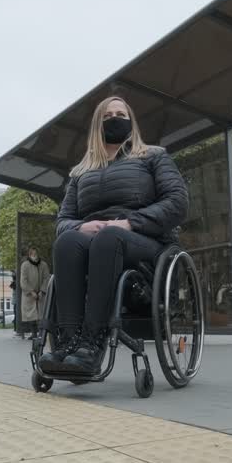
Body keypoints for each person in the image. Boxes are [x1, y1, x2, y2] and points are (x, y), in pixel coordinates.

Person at [41, 95, 188, 374]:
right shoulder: (80, 172)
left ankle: (92, 344)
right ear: (98, 124)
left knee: (110, 238)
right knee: (67, 241)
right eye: (108, 116)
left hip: (144, 242)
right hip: (93, 241)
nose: (115, 119)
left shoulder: (153, 156)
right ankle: (69, 343)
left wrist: (129, 222)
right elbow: (63, 220)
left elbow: (178, 203)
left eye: (121, 114)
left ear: (131, 121)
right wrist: (78, 226)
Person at [19, 247, 50, 339]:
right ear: (29, 255)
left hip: (41, 293)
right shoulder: (25, 265)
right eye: (33, 254)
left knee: (41, 314)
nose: (35, 256)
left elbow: (46, 278)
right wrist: (31, 291)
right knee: (31, 315)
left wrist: (42, 291)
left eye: (36, 254)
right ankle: (34, 333)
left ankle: (41, 333)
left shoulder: (43, 265)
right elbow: (23, 280)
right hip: (29, 295)